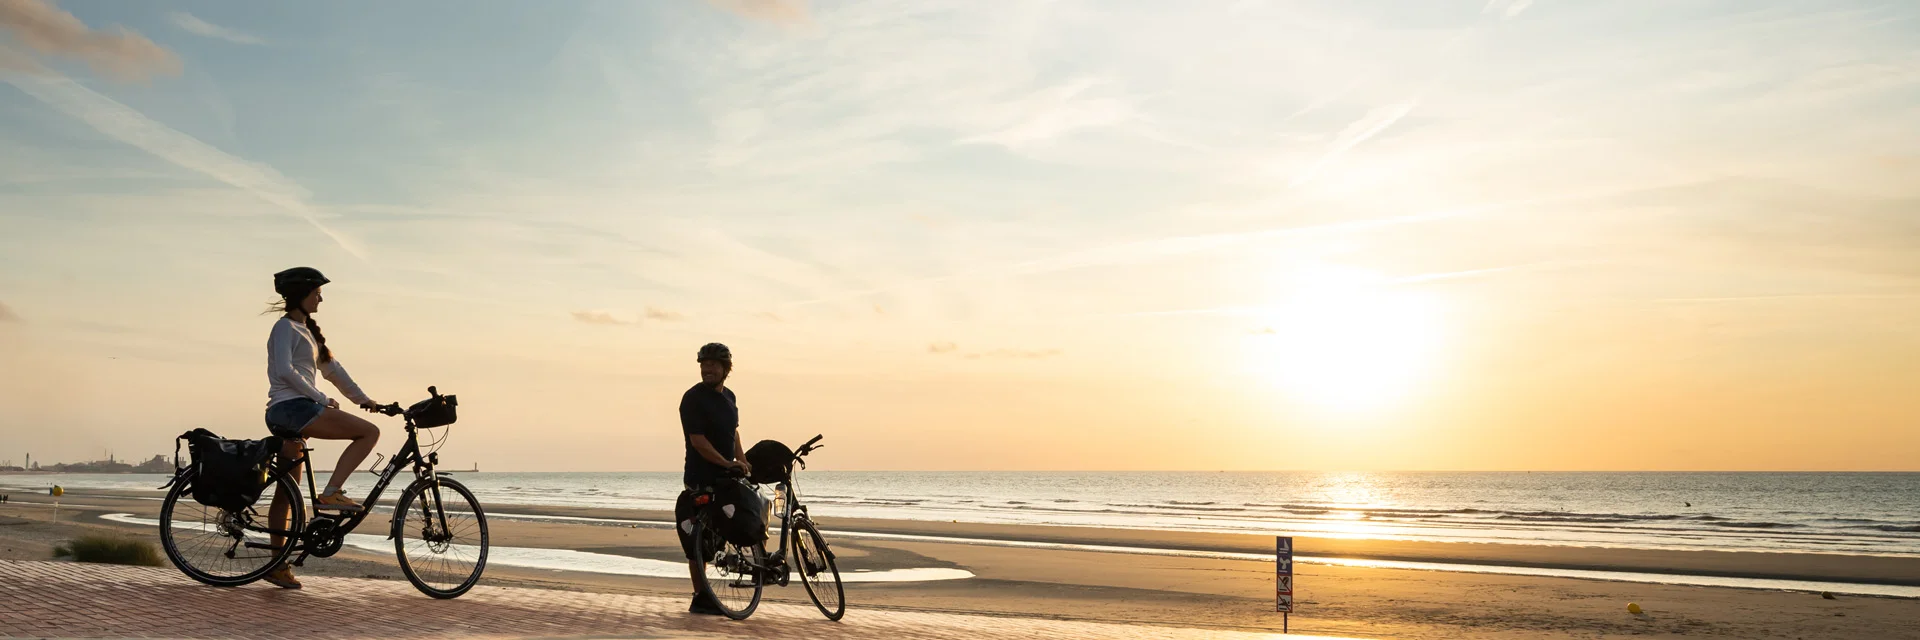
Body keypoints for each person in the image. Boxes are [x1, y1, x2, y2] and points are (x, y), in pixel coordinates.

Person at [259, 267, 385, 589]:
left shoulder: (308, 332)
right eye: (317, 293)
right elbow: (284, 371)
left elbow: (334, 371)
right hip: (291, 409)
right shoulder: (284, 328)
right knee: (369, 433)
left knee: (287, 493)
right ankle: (331, 494)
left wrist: (364, 399)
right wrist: (321, 398)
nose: (321, 298)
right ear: (301, 294)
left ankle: (276, 565)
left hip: (296, 411)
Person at [680, 342, 751, 615]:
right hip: (700, 477)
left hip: (726, 477)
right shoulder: (692, 399)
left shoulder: (730, 397)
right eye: (704, 365)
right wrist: (726, 462)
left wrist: (742, 460)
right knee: (697, 541)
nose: (707, 369)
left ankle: (750, 565)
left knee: (738, 520)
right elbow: (698, 441)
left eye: (713, 365)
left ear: (726, 369)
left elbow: (734, 434)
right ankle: (700, 596)